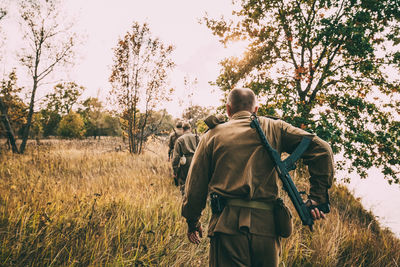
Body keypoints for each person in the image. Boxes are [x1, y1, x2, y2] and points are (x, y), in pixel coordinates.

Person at [181, 88, 334, 267]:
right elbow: (322, 149)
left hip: (227, 228)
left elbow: (195, 186)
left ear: (228, 109)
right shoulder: (275, 127)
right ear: (256, 109)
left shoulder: (212, 135)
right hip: (267, 227)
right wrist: (317, 198)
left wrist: (193, 221)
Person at [172, 122, 199, 194]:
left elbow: (176, 157)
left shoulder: (180, 139)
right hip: (196, 160)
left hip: (185, 162)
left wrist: (175, 170)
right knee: (195, 182)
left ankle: (185, 198)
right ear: (190, 129)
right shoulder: (197, 137)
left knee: (184, 182)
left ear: (182, 130)